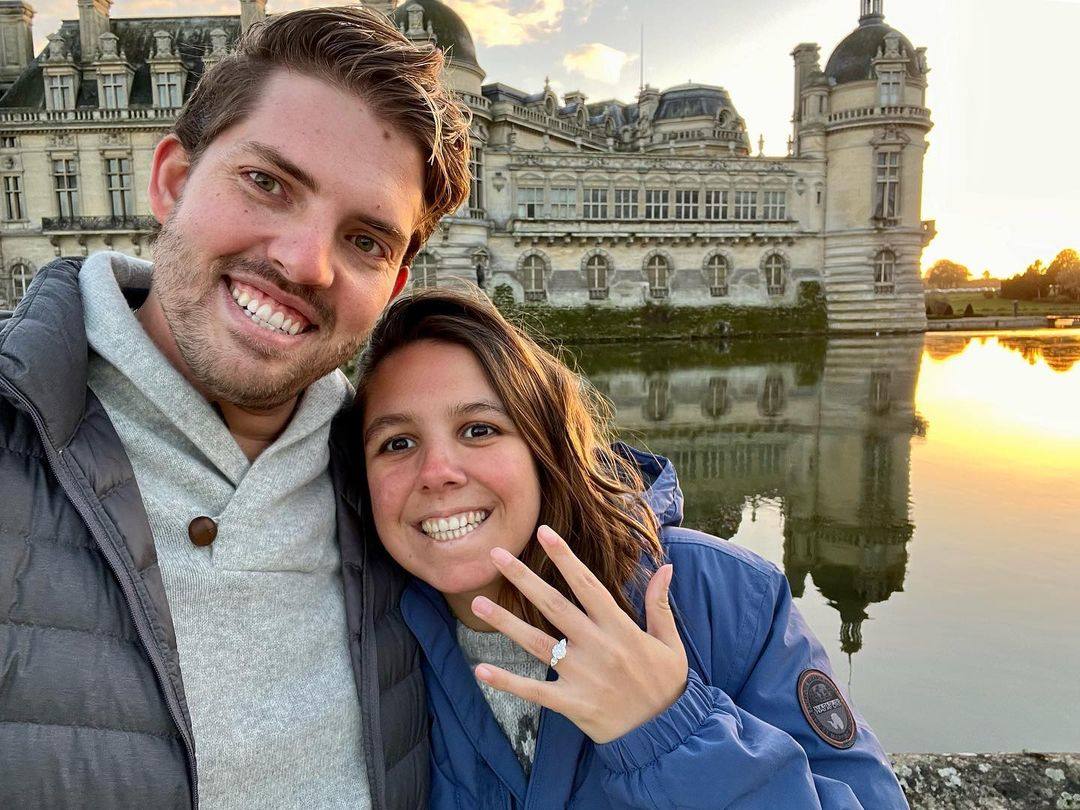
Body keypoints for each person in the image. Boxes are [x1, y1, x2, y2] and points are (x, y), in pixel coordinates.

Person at [0, 8, 470, 808]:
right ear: (172, 181)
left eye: (365, 240)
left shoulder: (405, 497)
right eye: (268, 183)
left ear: (393, 286)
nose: (303, 262)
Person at [354, 289, 910, 809]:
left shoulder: (724, 597)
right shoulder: (361, 633)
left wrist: (667, 730)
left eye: (479, 429)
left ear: (545, 446)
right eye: (396, 443)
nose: (437, 473)